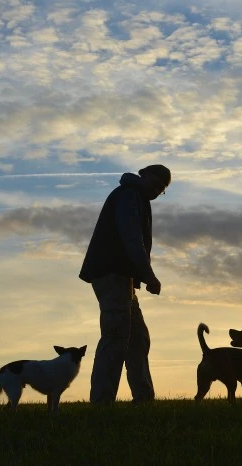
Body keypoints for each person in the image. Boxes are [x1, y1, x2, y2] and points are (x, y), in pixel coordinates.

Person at [79, 164, 171, 404]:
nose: (157, 189)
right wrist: (149, 275)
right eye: (157, 182)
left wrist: (141, 275)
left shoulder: (137, 197)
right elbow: (132, 238)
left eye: (162, 188)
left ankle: (144, 398)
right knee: (116, 337)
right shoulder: (128, 195)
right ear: (144, 174)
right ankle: (101, 402)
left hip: (124, 278)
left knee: (137, 338)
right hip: (112, 274)